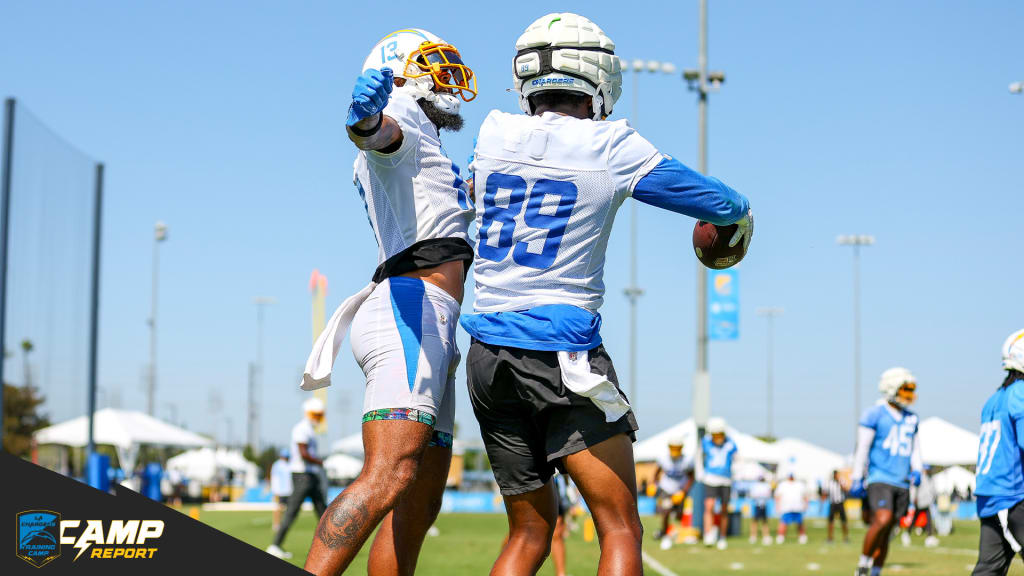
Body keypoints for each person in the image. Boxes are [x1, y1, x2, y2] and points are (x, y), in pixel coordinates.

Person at [462, 13, 752, 576]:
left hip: (486, 354)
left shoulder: (493, 132)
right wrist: (738, 221)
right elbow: (722, 204)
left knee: (529, 531)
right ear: (598, 73)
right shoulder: (610, 144)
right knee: (619, 527)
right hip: (561, 352)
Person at [300, 28, 477, 576]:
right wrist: (365, 122)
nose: (449, 77)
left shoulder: (431, 140)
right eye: (434, 64)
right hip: (412, 309)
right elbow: (379, 136)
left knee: (419, 500)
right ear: (400, 72)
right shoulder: (403, 110)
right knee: (389, 475)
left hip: (432, 318)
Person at [849, 367, 922, 576]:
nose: (910, 394)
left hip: (902, 481)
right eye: (905, 389)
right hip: (879, 478)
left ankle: (876, 571)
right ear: (892, 388)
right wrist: (856, 477)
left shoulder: (911, 418)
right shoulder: (874, 413)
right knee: (882, 519)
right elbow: (862, 448)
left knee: (888, 529)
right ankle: (863, 566)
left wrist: (917, 469)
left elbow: (915, 448)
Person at [971, 329, 1024, 576]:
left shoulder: (994, 398)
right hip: (1013, 496)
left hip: (993, 494)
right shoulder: (1020, 392)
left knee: (988, 570)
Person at [268, 397, 328, 559]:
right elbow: (303, 454)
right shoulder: (301, 429)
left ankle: (331, 545)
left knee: (323, 511)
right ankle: (274, 545)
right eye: (316, 415)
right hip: (302, 476)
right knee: (292, 512)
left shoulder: (309, 429)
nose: (319, 418)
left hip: (310, 475)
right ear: (309, 413)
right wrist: (320, 461)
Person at [701, 417, 739, 549]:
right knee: (709, 506)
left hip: (726, 480)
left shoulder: (731, 443)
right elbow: (700, 456)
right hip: (711, 478)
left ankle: (722, 536)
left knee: (724, 509)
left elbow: (737, 459)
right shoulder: (705, 441)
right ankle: (708, 534)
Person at [652, 436, 694, 550]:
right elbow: (656, 473)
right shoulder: (663, 459)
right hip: (666, 489)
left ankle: (675, 532)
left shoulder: (687, 460)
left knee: (679, 515)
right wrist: (654, 484)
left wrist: (683, 491)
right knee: (666, 512)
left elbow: (692, 477)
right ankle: (665, 536)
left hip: (680, 490)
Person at [901, 466, 939, 548]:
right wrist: (914, 499)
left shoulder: (930, 478)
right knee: (915, 519)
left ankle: (929, 537)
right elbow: (914, 488)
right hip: (919, 502)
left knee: (928, 520)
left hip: (927, 502)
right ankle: (907, 534)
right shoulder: (920, 477)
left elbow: (932, 490)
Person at [551, 473, 578, 576]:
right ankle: (505, 554)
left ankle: (561, 574)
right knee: (524, 530)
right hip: (533, 475)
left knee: (558, 530)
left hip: (553, 481)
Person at [774, 473, 808, 544]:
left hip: (797, 507)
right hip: (786, 507)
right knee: (783, 522)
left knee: (800, 523)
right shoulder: (783, 485)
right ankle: (781, 537)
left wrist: (805, 504)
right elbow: (778, 496)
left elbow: (805, 496)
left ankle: (802, 537)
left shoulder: (799, 485)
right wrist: (777, 506)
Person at [821, 469, 849, 543]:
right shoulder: (829, 482)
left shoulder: (841, 480)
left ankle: (846, 537)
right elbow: (825, 492)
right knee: (830, 521)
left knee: (843, 521)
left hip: (840, 503)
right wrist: (823, 500)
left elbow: (846, 489)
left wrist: (839, 483)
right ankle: (830, 538)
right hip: (832, 503)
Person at [270, 449, 293, 533]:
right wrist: (275, 491)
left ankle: (284, 524)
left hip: (289, 491)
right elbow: (274, 478)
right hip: (280, 491)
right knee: (278, 508)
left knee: (287, 509)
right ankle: (276, 524)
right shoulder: (277, 465)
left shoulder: (290, 464)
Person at [748, 475, 773, 545]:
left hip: (764, 505)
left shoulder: (766, 486)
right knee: (755, 521)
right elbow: (752, 495)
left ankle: (766, 536)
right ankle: (753, 536)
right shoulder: (755, 486)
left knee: (764, 521)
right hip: (757, 505)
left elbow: (768, 495)